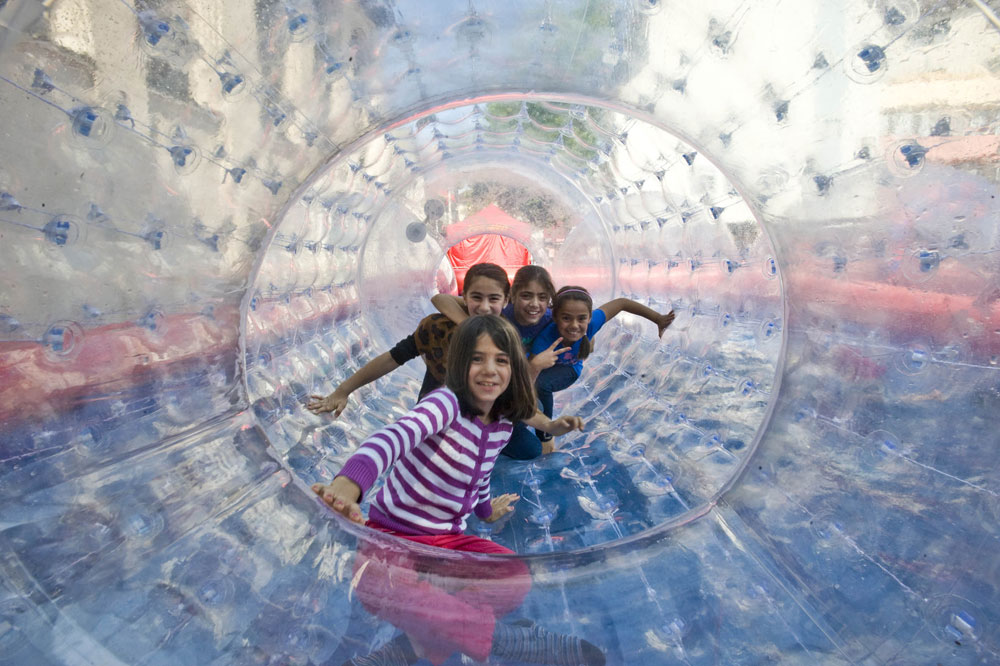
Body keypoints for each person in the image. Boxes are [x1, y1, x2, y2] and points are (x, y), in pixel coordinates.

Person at [312, 315, 603, 666]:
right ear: (459, 364)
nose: (489, 370)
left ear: (514, 369)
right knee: (382, 585)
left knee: (513, 574)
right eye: (477, 358)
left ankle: (415, 647)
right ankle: (508, 640)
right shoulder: (444, 404)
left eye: (501, 360)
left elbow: (478, 477)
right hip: (391, 540)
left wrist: (483, 511)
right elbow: (392, 438)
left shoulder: (501, 425)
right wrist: (348, 485)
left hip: (445, 547)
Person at [307, 262, 511, 417]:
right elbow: (392, 358)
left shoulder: (508, 338)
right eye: (476, 297)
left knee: (529, 448)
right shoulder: (437, 329)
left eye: (493, 299)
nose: (484, 307)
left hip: (482, 419)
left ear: (506, 300)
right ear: (464, 297)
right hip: (434, 415)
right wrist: (343, 391)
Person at [432, 265, 569, 459]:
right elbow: (440, 298)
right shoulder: (500, 314)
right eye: (526, 296)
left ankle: (529, 432)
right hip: (486, 389)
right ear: (511, 296)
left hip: (512, 385)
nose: (534, 304)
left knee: (537, 402)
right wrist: (473, 327)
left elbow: (580, 321)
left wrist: (587, 337)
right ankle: (479, 432)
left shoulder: (549, 319)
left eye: (542, 297)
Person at [528, 286, 676, 442]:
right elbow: (529, 374)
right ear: (555, 317)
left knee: (542, 384)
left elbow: (622, 303)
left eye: (581, 318)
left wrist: (658, 319)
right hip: (544, 367)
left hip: (569, 369)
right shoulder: (544, 339)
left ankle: (545, 435)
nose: (574, 325)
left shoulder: (592, 323)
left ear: (590, 317)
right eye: (566, 318)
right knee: (537, 383)